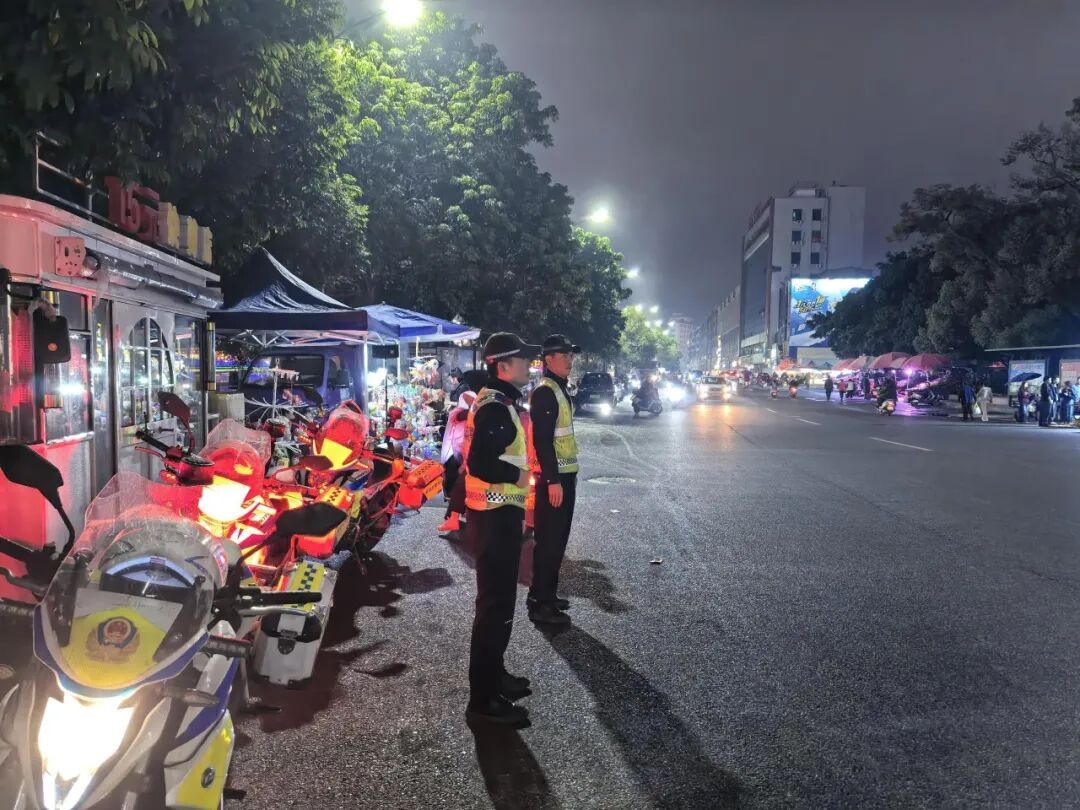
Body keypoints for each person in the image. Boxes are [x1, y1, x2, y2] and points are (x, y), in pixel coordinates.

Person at [464, 333, 538, 727]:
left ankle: (496, 676)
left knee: (500, 606)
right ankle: (483, 700)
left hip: (498, 516)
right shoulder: (495, 406)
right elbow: (480, 463)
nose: (529, 365)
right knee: (494, 608)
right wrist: (519, 475)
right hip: (494, 519)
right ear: (504, 366)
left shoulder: (500, 402)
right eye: (523, 360)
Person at [526, 335, 581, 627]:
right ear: (549, 359)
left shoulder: (559, 388)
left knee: (557, 540)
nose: (570, 360)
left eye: (571, 355)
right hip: (554, 480)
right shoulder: (546, 392)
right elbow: (542, 440)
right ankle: (540, 604)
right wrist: (552, 480)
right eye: (564, 355)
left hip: (564, 476)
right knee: (548, 542)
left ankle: (546, 594)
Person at [438, 388, 478, 535]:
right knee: (461, 486)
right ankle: (454, 518)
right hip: (461, 455)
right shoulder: (459, 413)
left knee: (465, 486)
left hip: (474, 456)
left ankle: (456, 518)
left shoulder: (477, 414)